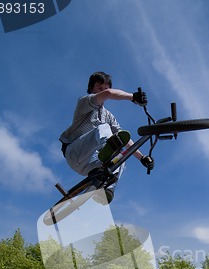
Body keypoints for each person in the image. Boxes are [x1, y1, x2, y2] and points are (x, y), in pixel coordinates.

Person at [59, 71, 154, 203]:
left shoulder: (108, 115)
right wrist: (133, 97)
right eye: (99, 88)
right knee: (103, 128)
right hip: (74, 152)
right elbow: (108, 94)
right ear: (92, 89)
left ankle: (106, 189)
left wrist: (142, 158)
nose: (103, 91)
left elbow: (124, 140)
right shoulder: (84, 102)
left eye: (106, 88)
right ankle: (107, 149)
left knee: (122, 157)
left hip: (89, 166)